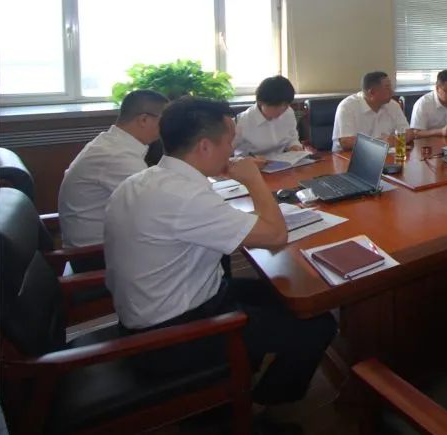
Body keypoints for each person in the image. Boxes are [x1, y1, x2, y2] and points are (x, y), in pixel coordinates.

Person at [104, 98, 337, 423]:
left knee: (291, 296)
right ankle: (261, 407)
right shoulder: (184, 197)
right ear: (204, 146)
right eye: (229, 142)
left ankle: (241, 376)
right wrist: (253, 179)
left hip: (162, 308)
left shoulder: (145, 180)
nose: (232, 151)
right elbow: (275, 236)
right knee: (318, 325)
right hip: (172, 336)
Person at [57, 90, 168, 262]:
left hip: (104, 246)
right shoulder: (116, 156)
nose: (168, 128)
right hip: (94, 256)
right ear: (144, 120)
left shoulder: (111, 143)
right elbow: (160, 206)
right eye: (165, 121)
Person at [332, 71, 410, 151]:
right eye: (387, 88)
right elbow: (346, 142)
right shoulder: (347, 106)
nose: (392, 91)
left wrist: (395, 140)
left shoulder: (393, 105)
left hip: (386, 154)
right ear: (372, 92)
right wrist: (382, 143)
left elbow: (408, 133)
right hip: (349, 156)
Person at [233, 75, 303, 158]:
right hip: (253, 164)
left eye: (285, 105)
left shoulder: (288, 113)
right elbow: (228, 154)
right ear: (260, 102)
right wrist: (247, 160)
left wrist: (295, 146)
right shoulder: (242, 122)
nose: (281, 110)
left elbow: (292, 138)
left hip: (283, 162)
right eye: (276, 106)